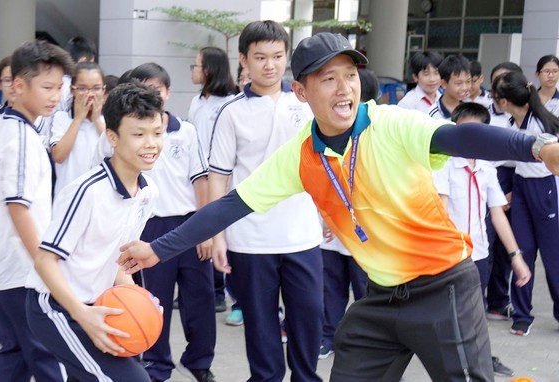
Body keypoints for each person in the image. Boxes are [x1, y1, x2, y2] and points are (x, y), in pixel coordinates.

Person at [118, 32, 559, 381]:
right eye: (327, 78)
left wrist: (537, 147)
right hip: (381, 299)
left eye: (348, 74)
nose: (343, 87)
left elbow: (462, 138)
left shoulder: (389, 124)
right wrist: (158, 249)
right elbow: (231, 206)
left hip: (444, 289)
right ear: (302, 91)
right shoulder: (301, 155)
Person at [207, 20, 323, 382]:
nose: (269, 65)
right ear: (243, 60)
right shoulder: (230, 112)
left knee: (308, 317)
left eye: (277, 56)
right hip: (250, 238)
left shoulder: (307, 105)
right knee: (259, 325)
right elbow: (218, 177)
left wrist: (333, 215)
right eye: (260, 57)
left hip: (302, 233)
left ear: (286, 58)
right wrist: (217, 235)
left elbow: (328, 165)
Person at [25, 82, 162, 382]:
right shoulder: (86, 191)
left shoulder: (148, 192)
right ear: (112, 137)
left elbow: (117, 261)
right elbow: (44, 262)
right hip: (56, 308)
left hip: (98, 306)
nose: (150, 143)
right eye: (138, 134)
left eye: (157, 132)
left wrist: (140, 297)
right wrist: (82, 315)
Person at [128, 62, 217, 382]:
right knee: (155, 301)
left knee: (202, 297)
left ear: (167, 93)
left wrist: (206, 229)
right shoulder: (130, 133)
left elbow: (201, 182)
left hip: (188, 225)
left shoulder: (186, 130)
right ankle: (156, 365)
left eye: (157, 90)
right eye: (144, 90)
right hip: (149, 228)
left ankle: (199, 360)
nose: (152, 96)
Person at [432, 102, 531, 377]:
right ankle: (458, 363)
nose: (470, 139)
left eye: (477, 132)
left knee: (477, 310)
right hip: (453, 256)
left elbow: (497, 213)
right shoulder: (444, 164)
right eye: (464, 132)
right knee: (451, 313)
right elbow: (440, 212)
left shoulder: (486, 167)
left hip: (480, 254)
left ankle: (480, 358)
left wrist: (516, 257)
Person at [0, 39, 72, 382]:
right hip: (23, 270)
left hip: (12, 270)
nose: (55, 95)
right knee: (48, 358)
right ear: (18, 85)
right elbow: (18, 207)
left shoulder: (11, 128)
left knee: (14, 356)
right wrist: (45, 263)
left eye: (59, 87)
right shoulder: (20, 136)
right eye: (46, 87)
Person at [491, 70, 559, 336]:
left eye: (495, 97)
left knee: (553, 257)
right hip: (520, 188)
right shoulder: (512, 123)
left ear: (504, 101)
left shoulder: (542, 127)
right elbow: (506, 161)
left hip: (543, 192)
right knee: (521, 252)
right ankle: (521, 314)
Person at [317, 67, 378, 361]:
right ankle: (329, 336)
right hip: (332, 232)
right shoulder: (326, 135)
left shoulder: (377, 138)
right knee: (332, 289)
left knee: (366, 292)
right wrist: (325, 217)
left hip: (366, 236)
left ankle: (368, 345)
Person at [187, 46, 236, 315]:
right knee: (201, 230)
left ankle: (220, 292)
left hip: (218, 178)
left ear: (209, 70)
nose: (193, 70)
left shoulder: (229, 103)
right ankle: (205, 288)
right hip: (196, 177)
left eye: (196, 65)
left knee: (216, 231)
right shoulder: (198, 101)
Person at [485, 61, 524, 321]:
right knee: (486, 240)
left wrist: (513, 192)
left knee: (505, 245)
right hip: (490, 174)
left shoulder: (524, 114)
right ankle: (478, 297)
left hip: (515, 177)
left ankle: (498, 301)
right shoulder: (481, 111)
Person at [50, 61, 106, 197]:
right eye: (82, 88)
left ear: (104, 90)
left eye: (96, 88)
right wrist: (78, 119)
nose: (90, 94)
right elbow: (58, 156)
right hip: (67, 198)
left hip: (99, 200)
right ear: (72, 90)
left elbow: (116, 152)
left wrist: (97, 119)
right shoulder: (61, 118)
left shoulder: (110, 120)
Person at [428, 55, 471, 120]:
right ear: (444, 84)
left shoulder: (470, 109)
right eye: (458, 83)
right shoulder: (434, 114)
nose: (464, 88)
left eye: (468, 81)